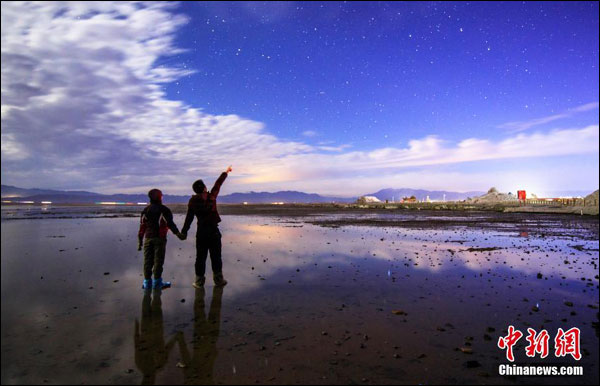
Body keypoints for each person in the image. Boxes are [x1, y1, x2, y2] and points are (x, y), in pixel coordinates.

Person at [181, 166, 232, 288]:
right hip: (213, 231)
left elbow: (189, 218)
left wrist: (184, 232)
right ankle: (218, 280)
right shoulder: (211, 196)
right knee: (216, 257)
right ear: (204, 188)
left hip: (202, 232)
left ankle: (199, 282)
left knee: (200, 258)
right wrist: (226, 172)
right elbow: (218, 184)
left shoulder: (193, 201)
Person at [138, 188, 185, 290]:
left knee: (147, 261)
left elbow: (142, 227)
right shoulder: (164, 210)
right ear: (160, 197)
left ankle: (147, 284)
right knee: (158, 261)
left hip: (148, 239)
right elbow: (170, 224)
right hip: (159, 239)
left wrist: (140, 241)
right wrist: (178, 234)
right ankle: (157, 283)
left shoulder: (145, 211)